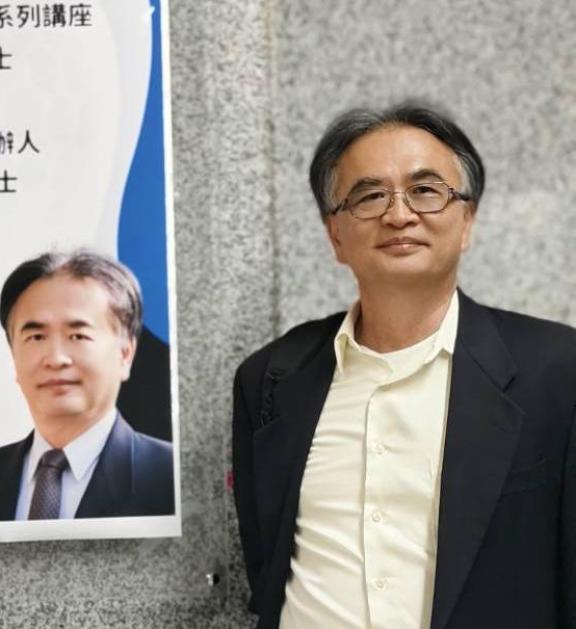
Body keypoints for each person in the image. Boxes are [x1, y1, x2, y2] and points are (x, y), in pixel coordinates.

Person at [232, 103, 576, 629]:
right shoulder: (269, 379)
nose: (398, 215)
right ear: (335, 234)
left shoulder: (556, 371)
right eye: (370, 196)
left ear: (467, 220)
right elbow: (267, 564)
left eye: (425, 190)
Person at [0, 251, 174, 523]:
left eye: (78, 335)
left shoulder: (174, 479)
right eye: (36, 337)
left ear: (125, 354)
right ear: (13, 355)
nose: (56, 358)